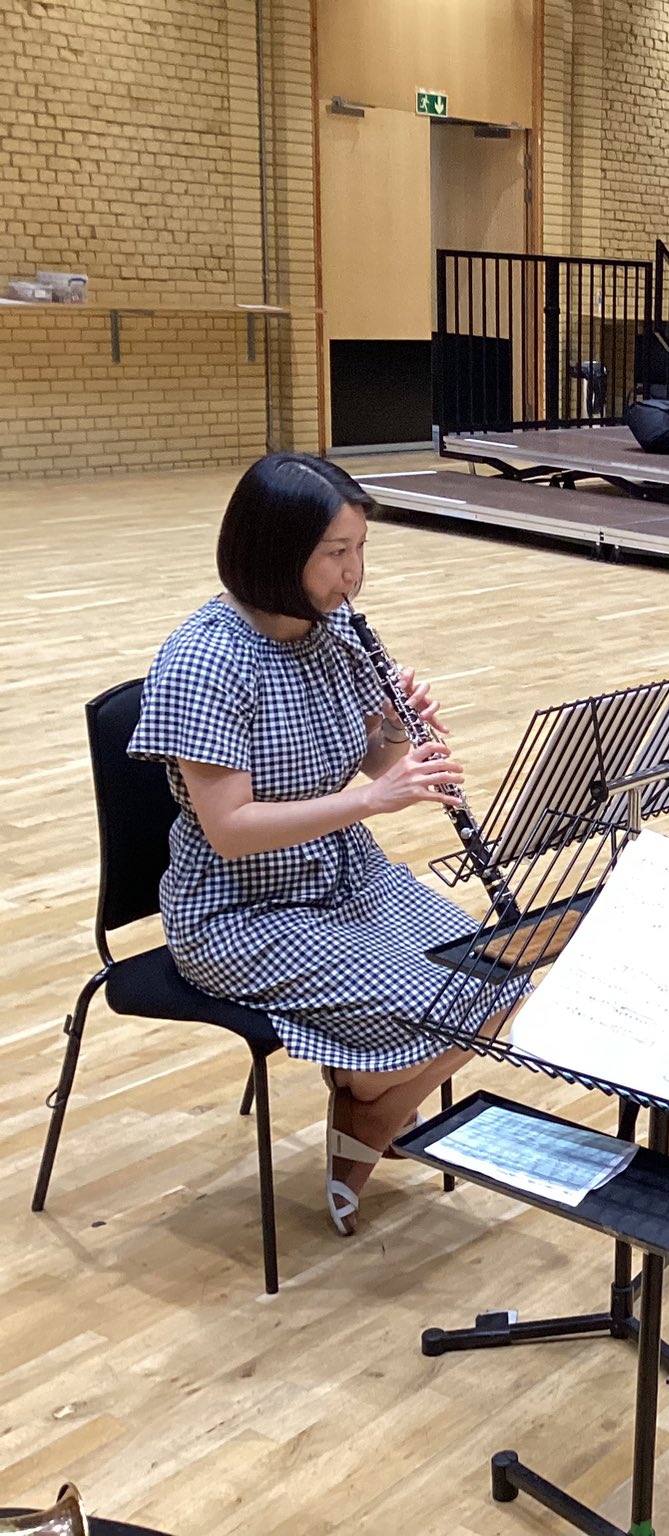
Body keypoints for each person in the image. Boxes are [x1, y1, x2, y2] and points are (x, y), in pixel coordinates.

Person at [130, 453, 517, 1238]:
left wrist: (395, 730)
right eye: (336, 553)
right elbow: (229, 830)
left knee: (502, 974)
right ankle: (369, 1111)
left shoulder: (333, 629)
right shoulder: (205, 661)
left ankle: (367, 1105)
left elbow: (371, 758)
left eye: (360, 548)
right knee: (439, 1003)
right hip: (240, 910)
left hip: (341, 874)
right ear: (277, 552)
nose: (354, 574)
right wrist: (373, 800)